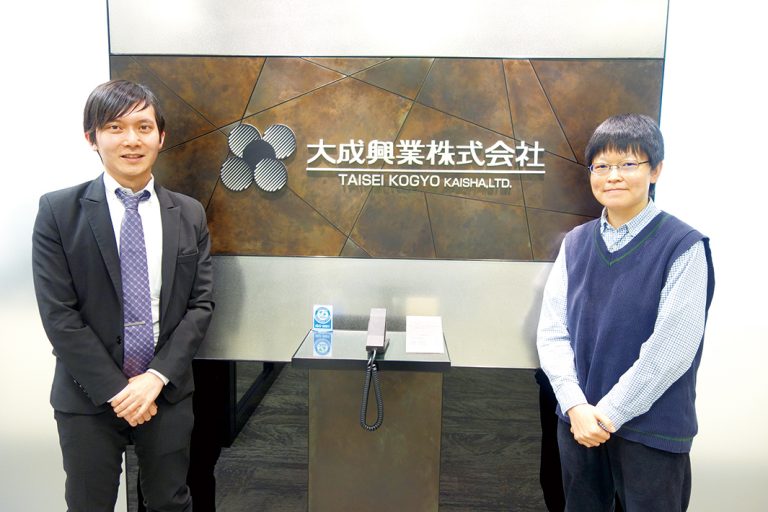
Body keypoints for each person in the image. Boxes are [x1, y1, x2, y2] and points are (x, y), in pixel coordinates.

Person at [32, 79, 214, 511]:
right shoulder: (59, 212)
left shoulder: (189, 213)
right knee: (89, 503)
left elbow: (200, 305)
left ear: (160, 137)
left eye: (143, 127)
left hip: (165, 391)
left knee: (170, 503)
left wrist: (154, 379)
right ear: (91, 137)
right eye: (115, 127)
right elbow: (60, 316)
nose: (132, 140)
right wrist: (120, 391)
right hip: (87, 391)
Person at [536, 113, 714, 511]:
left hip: (651, 431)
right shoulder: (575, 243)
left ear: (656, 170)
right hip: (579, 425)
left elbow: (671, 349)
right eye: (602, 166)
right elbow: (552, 333)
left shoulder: (684, 245)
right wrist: (574, 405)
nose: (613, 176)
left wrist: (608, 414)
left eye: (628, 164)